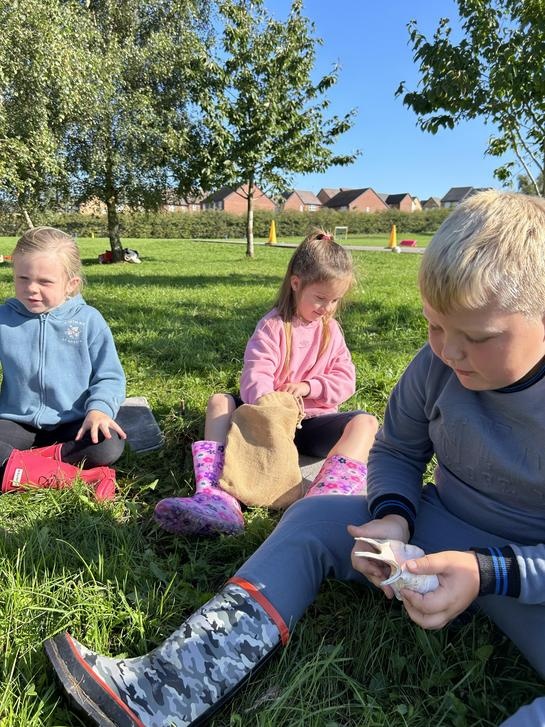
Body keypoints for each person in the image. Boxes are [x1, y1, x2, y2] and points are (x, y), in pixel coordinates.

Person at [44, 190, 545, 726]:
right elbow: (399, 450)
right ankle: (166, 688)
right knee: (312, 517)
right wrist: (394, 517)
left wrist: (488, 571)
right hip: (443, 529)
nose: (449, 351)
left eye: (478, 336)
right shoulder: (434, 365)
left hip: (532, 575)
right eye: (435, 325)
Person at [154, 229, 378, 536]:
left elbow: (345, 379)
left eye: (335, 300)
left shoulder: (332, 331)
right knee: (220, 402)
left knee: (366, 423)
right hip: (266, 425)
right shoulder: (273, 326)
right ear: (296, 284)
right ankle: (216, 498)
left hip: (311, 424)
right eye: (320, 298)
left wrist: (310, 387)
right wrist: (271, 406)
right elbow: (255, 378)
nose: (327, 308)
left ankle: (321, 503)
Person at [0, 226, 126, 499]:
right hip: (17, 422)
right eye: (23, 278)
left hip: (73, 423)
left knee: (107, 445)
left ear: (71, 284)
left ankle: (19, 465)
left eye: (45, 282)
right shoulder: (3, 319)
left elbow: (109, 376)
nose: (31, 289)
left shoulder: (88, 320)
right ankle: (84, 478)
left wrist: (99, 411)